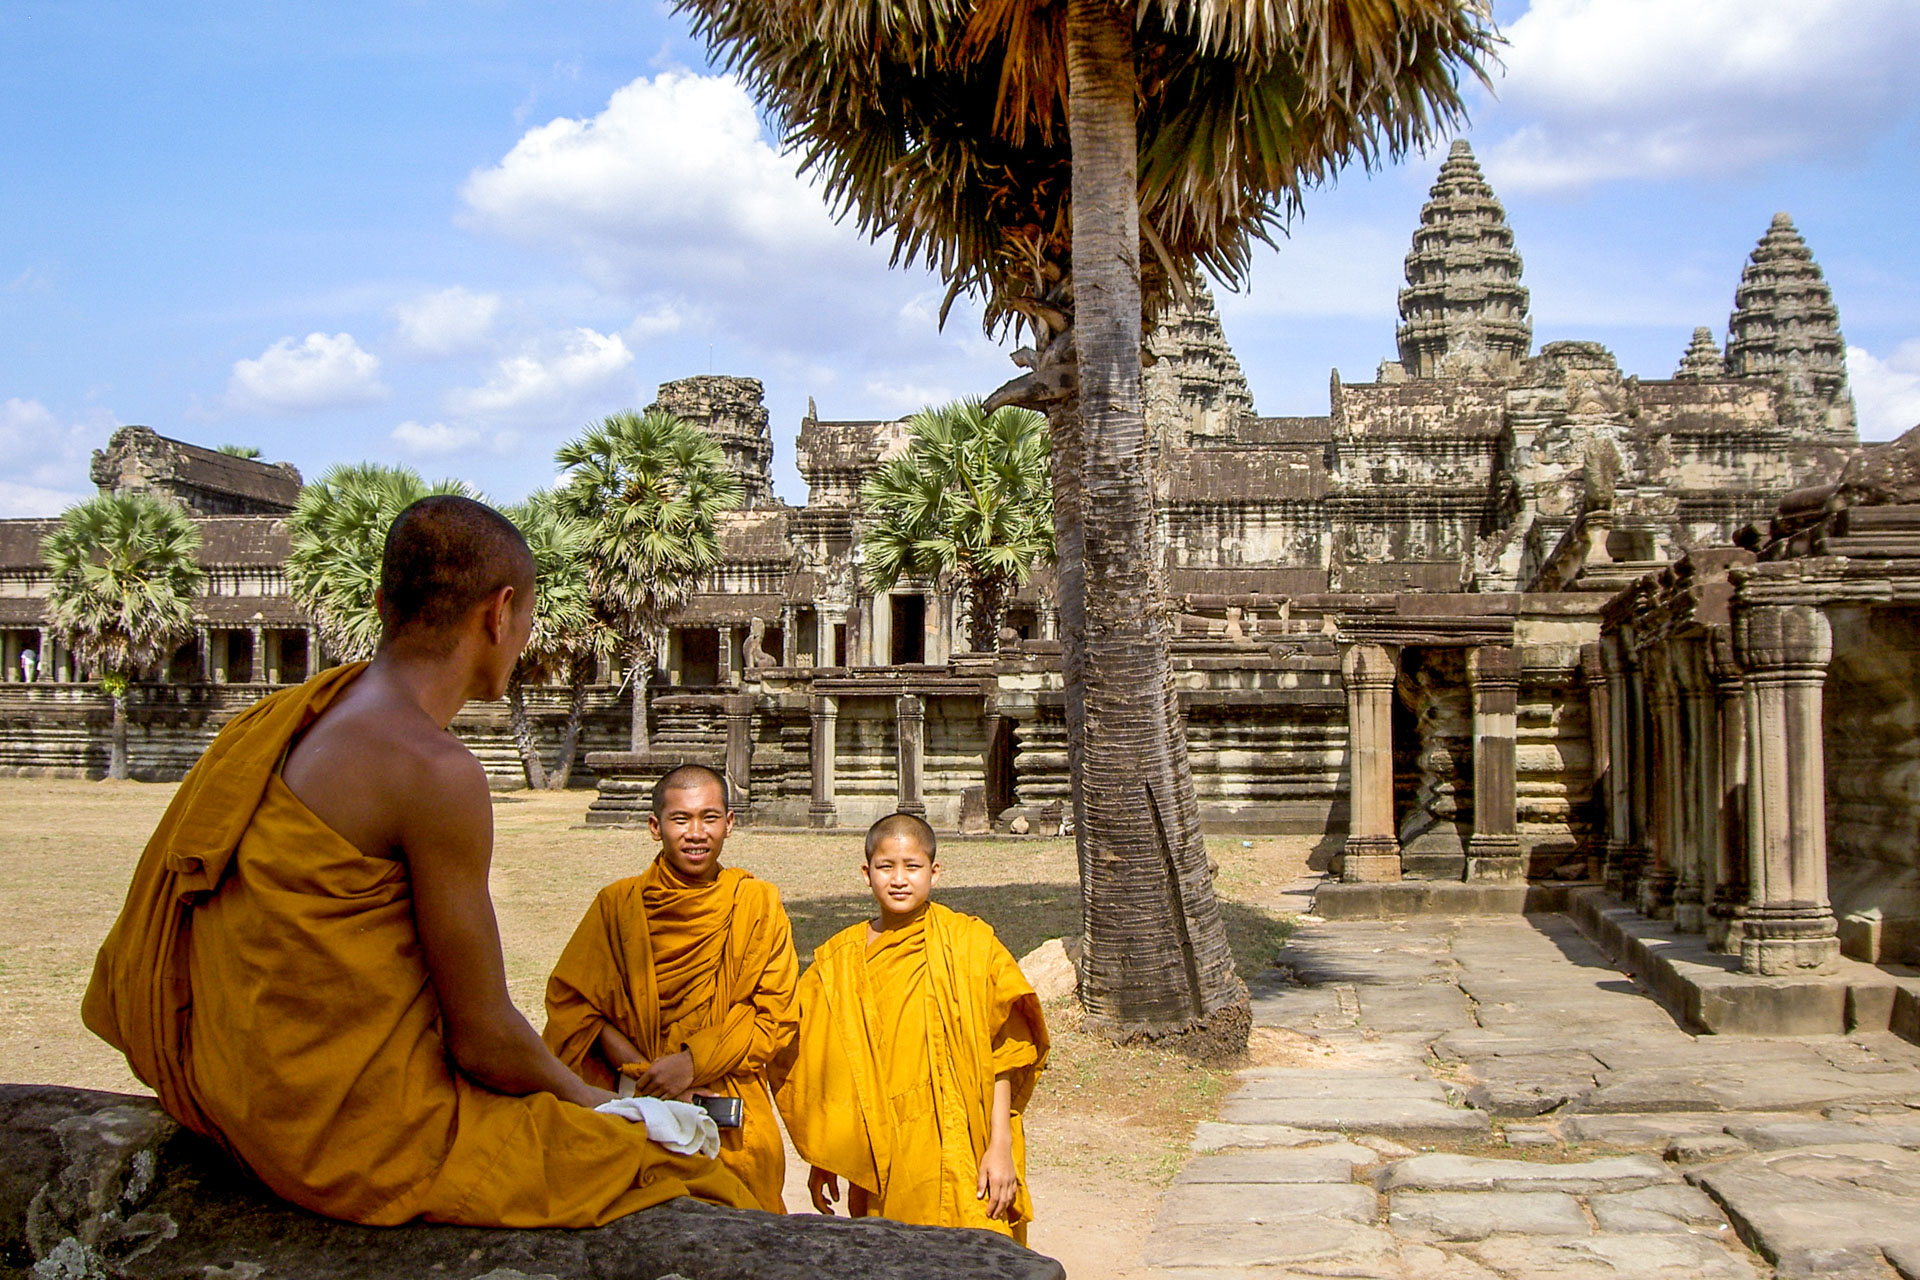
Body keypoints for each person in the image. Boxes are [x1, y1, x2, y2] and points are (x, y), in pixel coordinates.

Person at [81, 495, 754, 1226]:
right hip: (344, 1134)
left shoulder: (285, 721)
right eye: (527, 618)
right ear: (500, 613)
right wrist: (595, 1102)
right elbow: (484, 1040)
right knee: (690, 1172)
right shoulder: (433, 768)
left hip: (234, 1095)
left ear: (381, 604)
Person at [774, 812, 1049, 1242]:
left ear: (934, 872)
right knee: (890, 1254)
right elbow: (821, 1064)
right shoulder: (839, 963)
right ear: (866, 873)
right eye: (886, 867)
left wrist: (1000, 1148)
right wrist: (827, 1153)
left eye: (912, 867)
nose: (899, 879)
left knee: (976, 1252)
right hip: (885, 1150)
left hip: (965, 1144)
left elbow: (1004, 1053)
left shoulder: (969, 945)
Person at [543, 763, 799, 1212]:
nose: (696, 833)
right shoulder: (617, 906)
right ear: (654, 826)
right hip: (637, 1106)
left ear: (729, 823)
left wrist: (691, 1064)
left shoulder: (758, 904)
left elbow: (774, 1016)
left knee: (745, 1226)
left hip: (728, 1109)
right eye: (681, 819)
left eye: (709, 817)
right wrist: (654, 1077)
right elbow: (578, 1008)